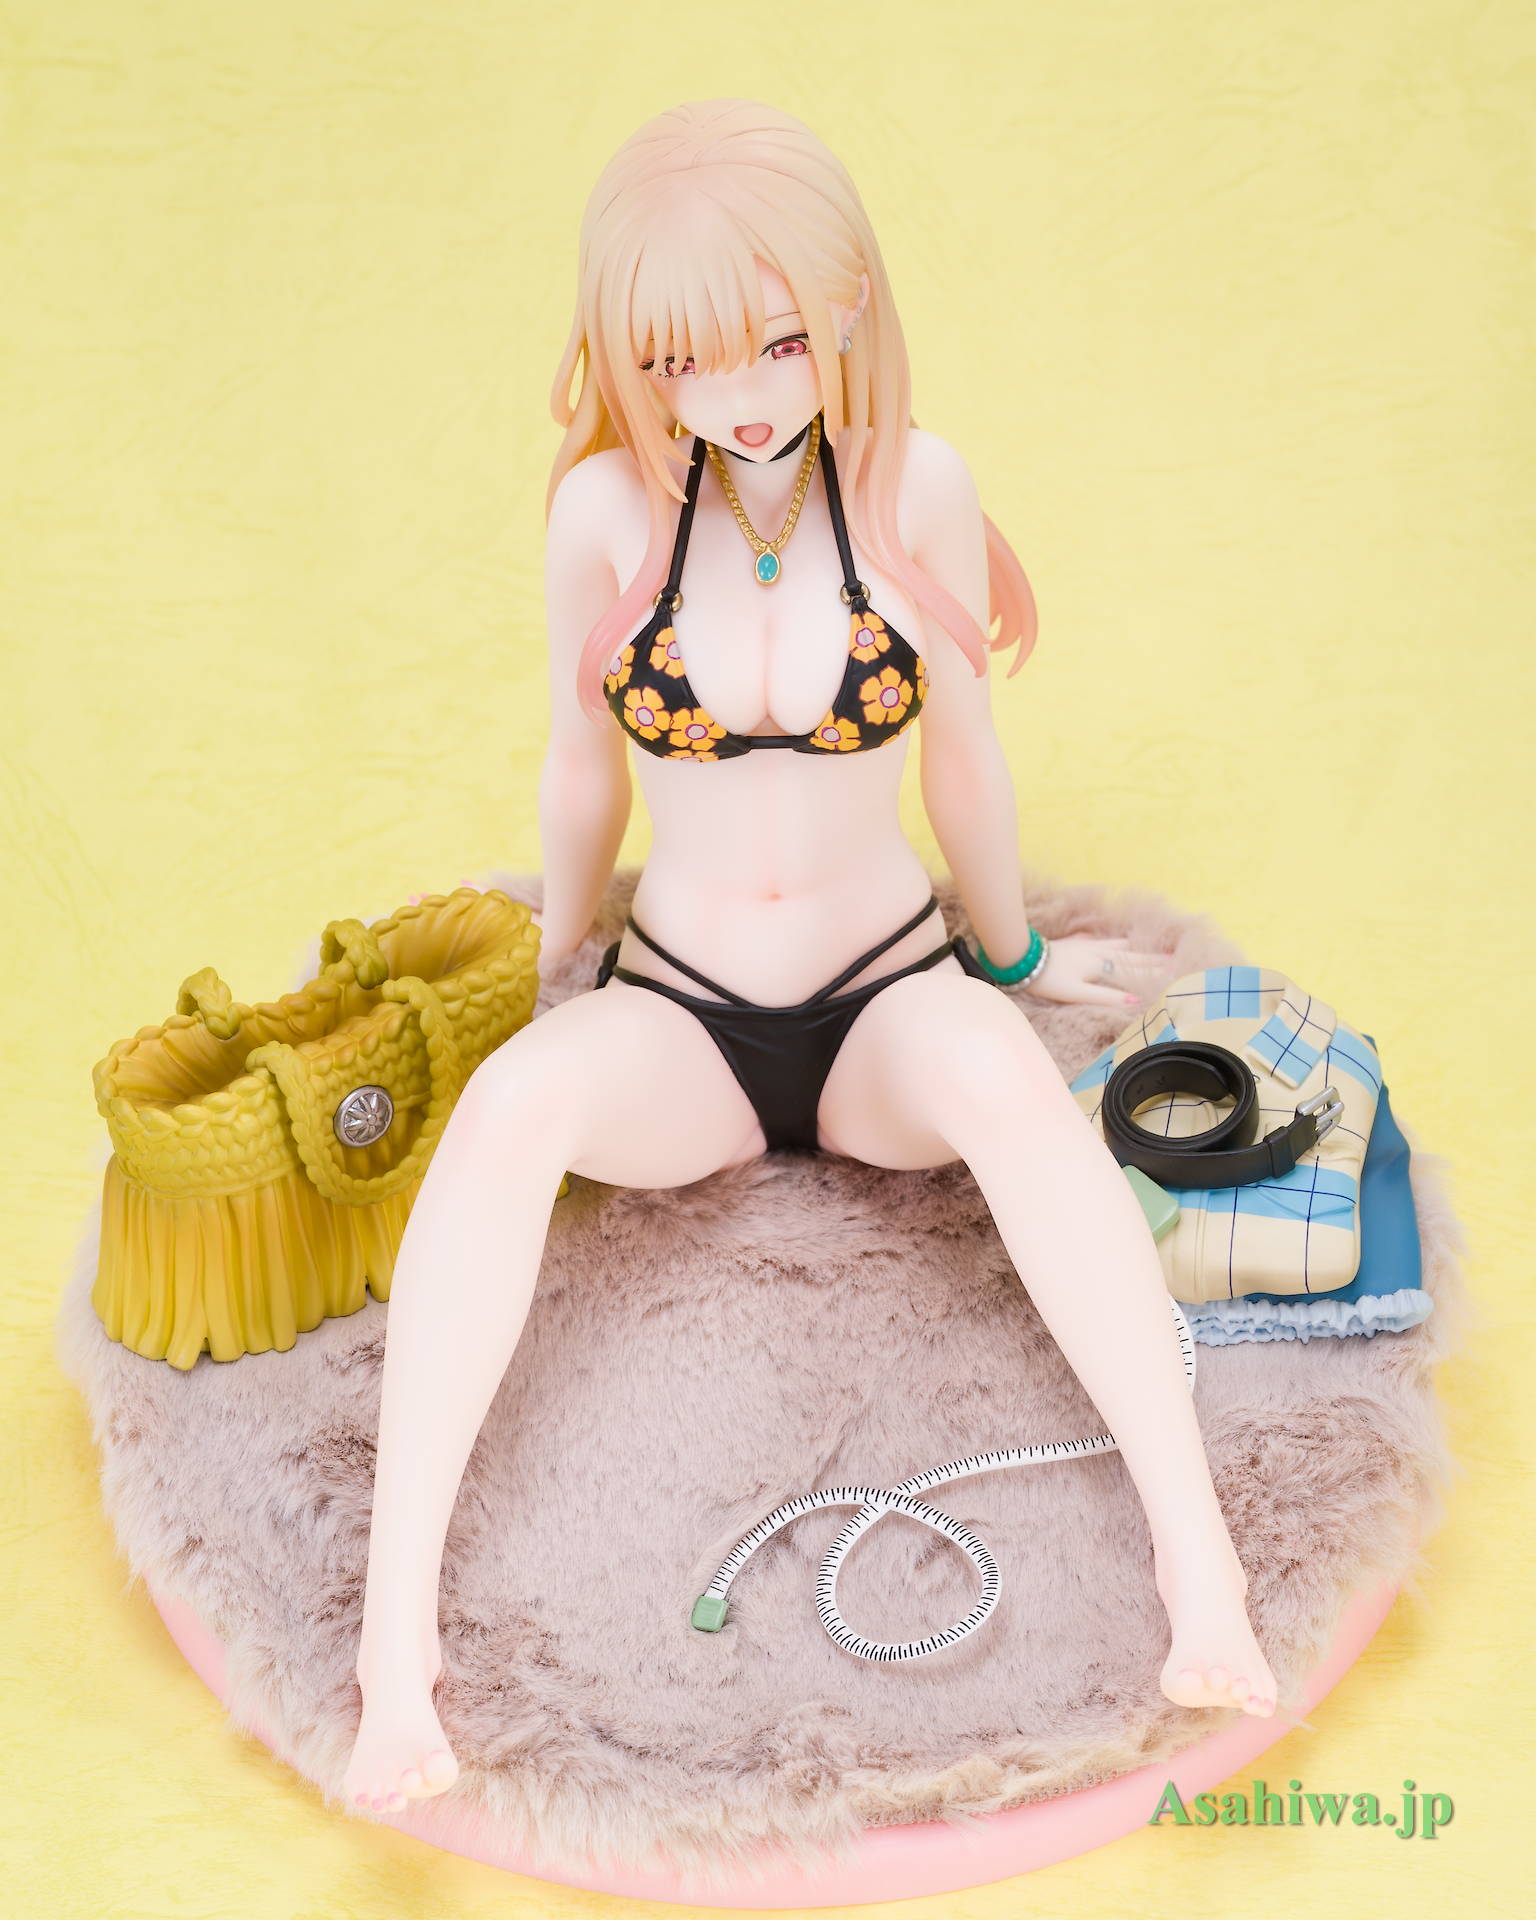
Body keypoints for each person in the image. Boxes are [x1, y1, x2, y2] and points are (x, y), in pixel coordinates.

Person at [342, 99, 1277, 1816]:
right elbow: (578, 767)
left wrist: (1010, 958)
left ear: (850, 302)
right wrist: (556, 959)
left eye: (778, 340)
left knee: (1004, 1080)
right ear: (633, 358)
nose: (743, 393)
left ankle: (1196, 1563)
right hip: (682, 1021)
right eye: (683, 360)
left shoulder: (916, 486)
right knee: (509, 1108)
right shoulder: (605, 516)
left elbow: (964, 758)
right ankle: (392, 1653)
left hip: (885, 1002)